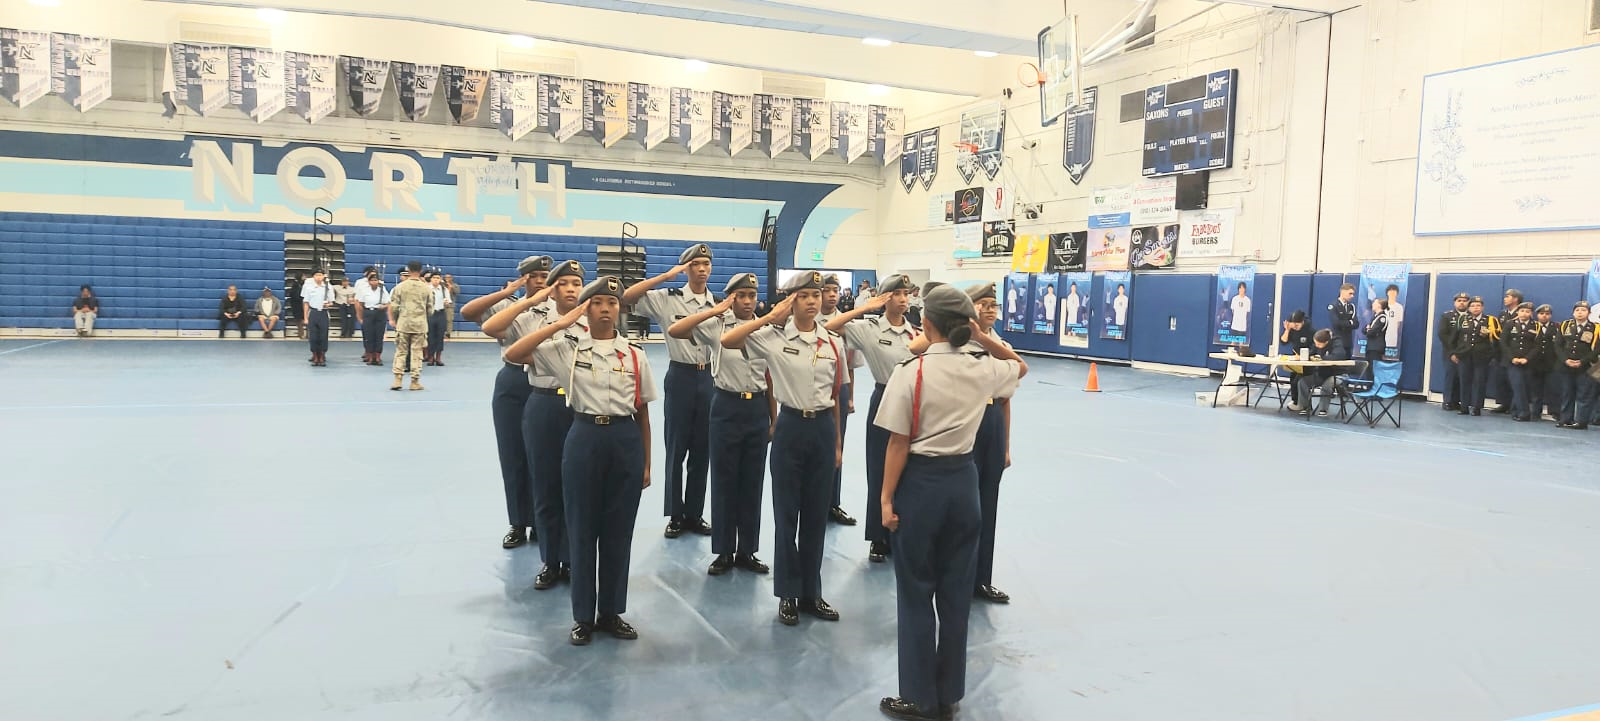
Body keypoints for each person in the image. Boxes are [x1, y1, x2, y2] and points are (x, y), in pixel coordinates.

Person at [875, 285, 1025, 721]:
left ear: (926, 324)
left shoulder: (912, 372)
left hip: (922, 485)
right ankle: (949, 694)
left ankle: (919, 696)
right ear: (968, 325)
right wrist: (981, 339)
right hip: (964, 482)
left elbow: (898, 443)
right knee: (956, 595)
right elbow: (1020, 367)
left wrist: (886, 498)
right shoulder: (982, 368)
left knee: (916, 590)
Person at [504, 276, 657, 646]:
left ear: (620, 309)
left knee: (619, 531)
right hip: (584, 436)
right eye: (597, 303)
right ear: (586, 309)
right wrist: (561, 323)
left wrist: (646, 464)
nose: (606, 309)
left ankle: (611, 612)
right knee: (582, 528)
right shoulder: (567, 350)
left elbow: (642, 413)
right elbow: (514, 353)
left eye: (612, 303)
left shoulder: (635, 354)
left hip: (624, 440)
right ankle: (583, 617)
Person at [721, 271, 845, 627]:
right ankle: (788, 594)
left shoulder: (832, 342)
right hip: (790, 427)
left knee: (816, 516)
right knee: (787, 514)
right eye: (803, 295)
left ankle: (811, 592)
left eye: (816, 295)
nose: (812, 301)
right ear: (790, 301)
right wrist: (768, 318)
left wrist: (837, 443)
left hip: (822, 429)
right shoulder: (773, 338)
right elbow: (729, 340)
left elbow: (835, 395)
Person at [669, 273, 774, 577]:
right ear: (730, 298)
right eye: (740, 296)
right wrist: (714, 311)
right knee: (724, 480)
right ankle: (724, 551)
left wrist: (774, 418)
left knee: (752, 482)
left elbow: (769, 378)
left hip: (757, 407)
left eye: (751, 296)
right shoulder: (717, 325)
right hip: (726, 405)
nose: (747, 301)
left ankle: (747, 550)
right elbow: (677, 330)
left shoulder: (766, 329)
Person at [496, 260, 589, 586]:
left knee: (576, 487)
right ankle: (551, 560)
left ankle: (574, 558)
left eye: (576, 283)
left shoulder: (591, 320)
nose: (571, 289)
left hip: (578, 406)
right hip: (544, 403)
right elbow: (495, 331)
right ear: (552, 288)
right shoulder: (535, 317)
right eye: (562, 283)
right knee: (546, 484)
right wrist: (537, 304)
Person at [622, 244, 717, 539]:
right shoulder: (667, 299)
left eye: (706, 264)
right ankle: (675, 515)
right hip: (681, 377)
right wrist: (665, 276)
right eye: (695, 264)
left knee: (702, 451)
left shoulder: (718, 304)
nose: (701, 269)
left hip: (709, 377)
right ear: (686, 268)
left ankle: (695, 513)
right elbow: (627, 298)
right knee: (676, 449)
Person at [826, 274, 918, 563]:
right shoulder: (869, 329)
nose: (903, 299)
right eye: (897, 294)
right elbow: (830, 327)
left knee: (909, 471)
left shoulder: (916, 333)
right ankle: (878, 537)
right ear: (885, 298)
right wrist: (865, 307)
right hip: (884, 399)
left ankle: (903, 533)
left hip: (913, 403)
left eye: (906, 294)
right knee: (878, 470)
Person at [463, 256, 552, 550]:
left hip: (546, 382)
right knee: (512, 454)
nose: (540, 281)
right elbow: (468, 312)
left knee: (542, 457)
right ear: (524, 279)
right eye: (534, 276)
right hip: (513, 382)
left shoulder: (558, 309)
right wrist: (508, 292)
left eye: (544, 275)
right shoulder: (509, 307)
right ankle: (518, 522)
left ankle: (541, 521)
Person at [954, 281, 1018, 604]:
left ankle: (982, 579)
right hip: (966, 421)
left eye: (994, 305)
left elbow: (1006, 400)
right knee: (963, 507)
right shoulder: (957, 345)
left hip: (991, 424)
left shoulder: (1001, 345)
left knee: (987, 505)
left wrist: (1005, 446)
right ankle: (956, 579)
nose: (991, 310)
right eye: (984, 304)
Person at [818, 274, 864, 527]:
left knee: (837, 446)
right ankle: (814, 501)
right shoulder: (806, 320)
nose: (832, 295)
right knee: (815, 447)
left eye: (835, 290)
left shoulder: (847, 324)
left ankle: (832, 503)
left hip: (840, 387)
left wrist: (851, 398)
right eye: (827, 290)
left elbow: (851, 364)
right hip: (814, 388)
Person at [1451, 297, 1499, 416]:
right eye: (1472, 306)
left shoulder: (1490, 320)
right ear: (1469, 308)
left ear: (1482, 307)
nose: (1475, 308)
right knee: (1464, 381)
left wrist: (1492, 356)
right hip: (1464, 356)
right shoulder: (1463, 319)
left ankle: (1476, 407)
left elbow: (1496, 340)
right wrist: (1453, 353)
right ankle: (1464, 407)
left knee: (1479, 382)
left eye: (1478, 305)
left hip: (1482, 357)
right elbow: (1455, 338)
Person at [388, 261, 432, 391]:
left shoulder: (400, 287)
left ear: (408, 270)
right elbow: (430, 309)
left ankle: (398, 379)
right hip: (419, 324)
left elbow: (394, 307)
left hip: (404, 323)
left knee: (401, 351)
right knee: (417, 352)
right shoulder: (426, 288)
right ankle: (414, 381)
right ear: (421, 270)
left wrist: (396, 319)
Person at [1555, 301, 1598, 429]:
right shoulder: (1565, 325)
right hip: (1566, 365)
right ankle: (1565, 419)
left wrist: (1582, 361)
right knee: (1567, 393)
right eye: (1577, 310)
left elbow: (1597, 349)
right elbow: (1558, 345)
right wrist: (1565, 360)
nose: (1580, 313)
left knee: (1584, 394)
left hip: (1585, 366)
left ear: (1589, 313)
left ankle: (1581, 421)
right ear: (1573, 313)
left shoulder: (1595, 328)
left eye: (1583, 310)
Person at [1293, 329, 1349, 417]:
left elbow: (1337, 356)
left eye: (1319, 344)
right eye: (1315, 343)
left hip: (1338, 374)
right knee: (1302, 382)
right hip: (1323, 374)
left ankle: (1323, 409)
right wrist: (1303, 356)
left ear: (1326, 342)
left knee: (1327, 384)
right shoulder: (1317, 344)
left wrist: (1321, 358)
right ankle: (1305, 407)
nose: (1317, 346)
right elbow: (1312, 353)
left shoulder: (1337, 344)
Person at [1501, 301, 1540, 422]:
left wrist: (1527, 358)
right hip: (1512, 362)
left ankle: (1515, 410)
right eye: (1522, 311)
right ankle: (1524, 413)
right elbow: (1503, 342)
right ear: (1518, 312)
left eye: (1527, 311)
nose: (1524, 313)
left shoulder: (1536, 326)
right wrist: (1512, 358)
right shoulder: (1510, 324)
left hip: (1528, 362)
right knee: (1517, 386)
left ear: (1531, 313)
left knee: (1524, 388)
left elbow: (1537, 346)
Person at [1488, 289, 1524, 414]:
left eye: (1508, 296)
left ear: (1516, 299)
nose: (1505, 299)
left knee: (1514, 381)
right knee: (1501, 379)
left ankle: (1514, 405)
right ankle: (1504, 403)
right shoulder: (1503, 314)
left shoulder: (1522, 313)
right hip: (1500, 352)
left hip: (1515, 352)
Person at [1437, 292, 1469, 411]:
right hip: (1450, 352)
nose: (1462, 303)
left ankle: (1457, 401)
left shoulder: (1471, 317)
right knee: (1450, 376)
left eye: (1464, 301)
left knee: (1462, 378)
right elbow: (1442, 334)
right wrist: (1452, 352)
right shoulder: (1447, 316)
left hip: (1465, 352)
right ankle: (1448, 401)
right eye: (1459, 300)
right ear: (1455, 303)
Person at [354, 273, 389, 365]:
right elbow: (360, 303)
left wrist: (383, 306)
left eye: (376, 280)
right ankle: (370, 356)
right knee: (369, 336)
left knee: (379, 336)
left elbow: (388, 302)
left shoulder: (382, 290)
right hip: (368, 312)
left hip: (380, 313)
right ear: (369, 282)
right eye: (372, 280)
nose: (374, 282)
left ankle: (377, 357)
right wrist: (362, 315)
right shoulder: (364, 290)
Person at [301, 269, 333, 366]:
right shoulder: (309, 288)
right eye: (316, 275)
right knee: (313, 336)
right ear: (313, 277)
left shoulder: (328, 287)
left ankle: (322, 355)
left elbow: (331, 302)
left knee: (323, 336)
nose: (318, 277)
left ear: (323, 276)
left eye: (320, 275)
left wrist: (328, 304)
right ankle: (315, 355)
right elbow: (306, 303)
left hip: (323, 313)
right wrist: (305, 317)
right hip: (313, 312)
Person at [1533, 304, 1559, 421]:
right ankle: (1535, 412)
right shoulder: (1532, 326)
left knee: (1553, 389)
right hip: (1536, 363)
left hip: (1551, 363)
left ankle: (1555, 411)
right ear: (1537, 315)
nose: (1544, 316)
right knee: (1536, 389)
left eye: (1547, 314)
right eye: (1542, 313)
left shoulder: (1557, 327)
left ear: (1551, 315)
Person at [423, 272, 449, 366]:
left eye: (438, 278)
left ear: (440, 279)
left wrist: (446, 303)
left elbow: (448, 301)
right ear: (431, 279)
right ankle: (430, 358)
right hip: (430, 314)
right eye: (434, 278)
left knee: (440, 336)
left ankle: (438, 358)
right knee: (430, 336)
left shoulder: (444, 289)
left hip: (440, 313)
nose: (436, 280)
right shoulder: (426, 289)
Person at [1328, 283, 1358, 353]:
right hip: (1337, 341)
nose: (1352, 296)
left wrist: (1346, 323)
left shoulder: (1351, 306)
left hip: (1348, 341)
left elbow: (1356, 324)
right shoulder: (1334, 306)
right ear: (1343, 292)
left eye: (1353, 294)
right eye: (1350, 293)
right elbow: (1336, 323)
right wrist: (1350, 322)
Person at [1362, 297, 1388, 367]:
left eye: (1374, 303)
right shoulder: (1375, 317)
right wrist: (1368, 329)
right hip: (1370, 347)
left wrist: (1368, 329)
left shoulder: (1382, 317)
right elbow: (1364, 330)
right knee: (1368, 368)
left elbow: (1372, 332)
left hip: (1376, 348)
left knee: (1374, 369)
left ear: (1379, 305)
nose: (1373, 304)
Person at [1383, 283, 1404, 351]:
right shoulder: (1382, 305)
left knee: (1390, 352)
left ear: (1397, 293)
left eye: (1394, 291)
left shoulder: (1399, 307)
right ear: (1387, 293)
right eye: (1390, 291)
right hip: (1381, 335)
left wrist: (1392, 330)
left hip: (1392, 335)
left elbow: (1398, 323)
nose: (1392, 293)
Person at [287, 272, 305, 338]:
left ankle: (304, 333)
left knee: (302, 319)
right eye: (303, 276)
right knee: (299, 319)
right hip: (297, 304)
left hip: (300, 303)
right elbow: (295, 295)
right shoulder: (296, 285)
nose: (305, 277)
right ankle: (301, 333)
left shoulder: (302, 284)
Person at [444, 274, 460, 338]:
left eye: (449, 277)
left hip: (450, 305)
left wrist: (451, 287)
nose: (447, 278)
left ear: (452, 278)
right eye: (446, 277)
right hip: (441, 304)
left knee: (449, 319)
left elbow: (457, 292)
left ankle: (448, 333)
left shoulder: (455, 285)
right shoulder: (442, 285)